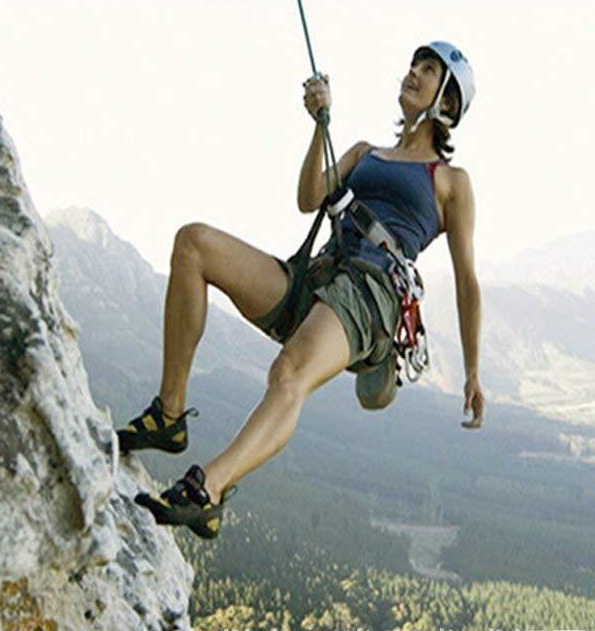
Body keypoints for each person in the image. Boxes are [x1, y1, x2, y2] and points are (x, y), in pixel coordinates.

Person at [122, 42, 484, 539]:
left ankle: (208, 489)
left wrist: (471, 372)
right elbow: (309, 197)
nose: (412, 74)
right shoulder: (363, 152)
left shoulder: (450, 182)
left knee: (289, 371)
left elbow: (466, 280)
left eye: (427, 71)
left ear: (447, 103)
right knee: (194, 244)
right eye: (413, 65)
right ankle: (168, 414)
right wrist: (320, 124)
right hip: (319, 277)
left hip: (369, 296)